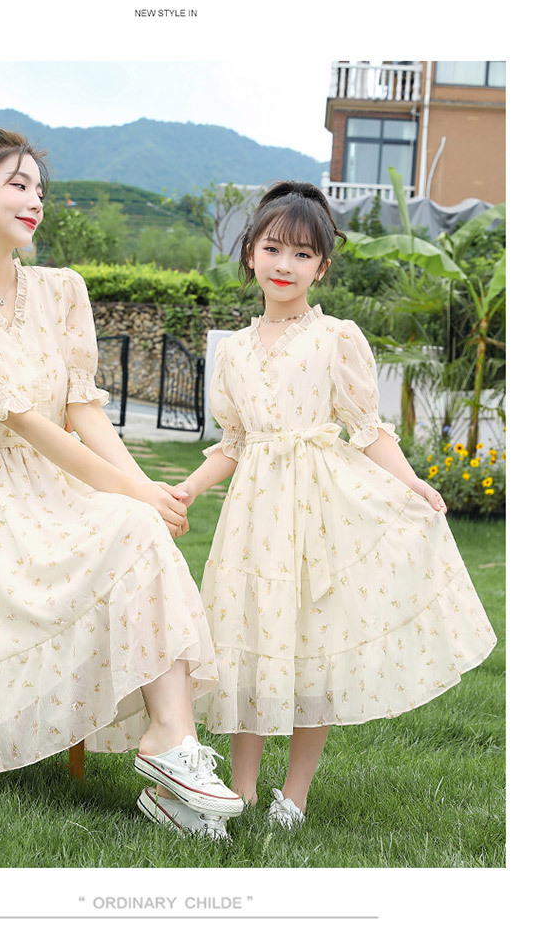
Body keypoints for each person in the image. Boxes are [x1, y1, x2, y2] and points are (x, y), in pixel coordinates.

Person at [0, 124, 242, 835]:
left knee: (139, 524)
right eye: (17, 185)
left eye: (40, 189)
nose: (35, 201)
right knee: (132, 518)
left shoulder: (61, 291)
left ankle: (171, 743)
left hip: (60, 489)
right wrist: (133, 492)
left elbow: (82, 410)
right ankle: (174, 759)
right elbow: (32, 426)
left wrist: (145, 487)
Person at [172, 180, 497, 831]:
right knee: (248, 641)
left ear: (321, 267)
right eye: (272, 249)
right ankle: (242, 791)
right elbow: (234, 442)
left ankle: (294, 796)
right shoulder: (232, 351)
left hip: (320, 510)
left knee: (313, 644)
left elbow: (366, 428)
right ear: (250, 254)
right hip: (252, 518)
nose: (284, 265)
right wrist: (185, 489)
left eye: (302, 254)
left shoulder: (336, 338)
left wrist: (411, 483)